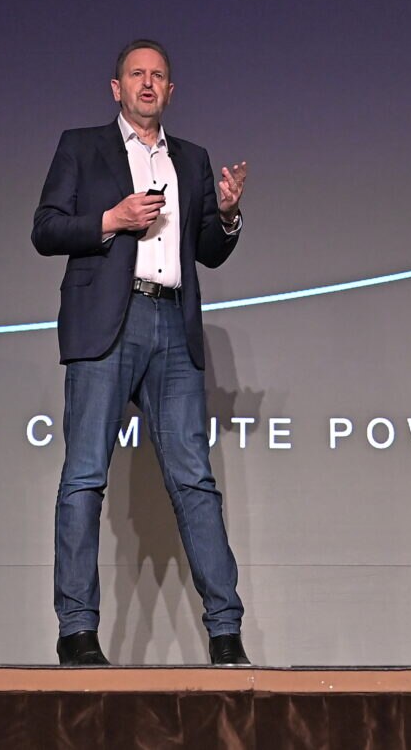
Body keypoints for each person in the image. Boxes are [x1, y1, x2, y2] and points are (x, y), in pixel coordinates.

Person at [30, 38, 252, 666]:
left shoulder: (192, 158)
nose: (147, 83)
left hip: (172, 324)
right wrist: (112, 219)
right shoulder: (81, 146)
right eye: (136, 74)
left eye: (158, 75)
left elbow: (208, 250)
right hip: (109, 320)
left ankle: (226, 632)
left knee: (194, 479)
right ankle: (77, 631)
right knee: (84, 477)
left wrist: (227, 215)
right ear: (117, 88)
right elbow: (46, 228)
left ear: (170, 91)